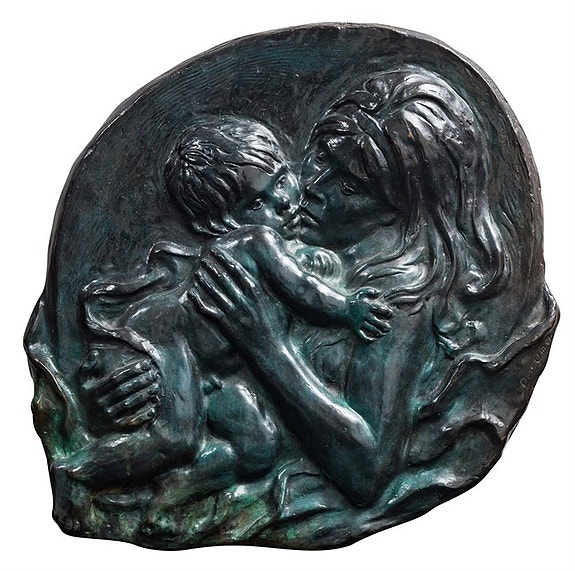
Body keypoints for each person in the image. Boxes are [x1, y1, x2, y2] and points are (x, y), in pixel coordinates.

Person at [189, 65, 558, 537]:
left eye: (349, 186)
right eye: (321, 156)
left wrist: (267, 347)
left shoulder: (398, 299)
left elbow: (366, 473)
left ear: (403, 210)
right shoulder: (290, 238)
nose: (314, 186)